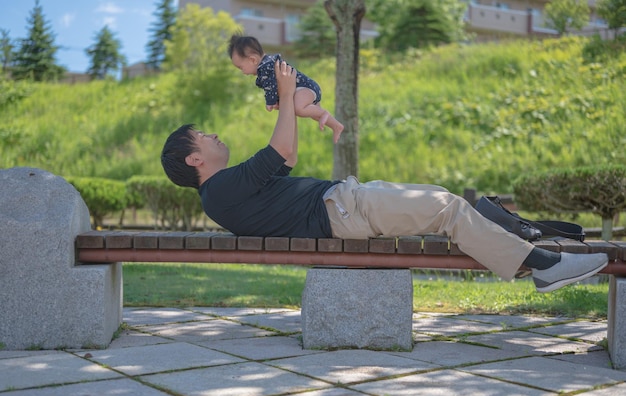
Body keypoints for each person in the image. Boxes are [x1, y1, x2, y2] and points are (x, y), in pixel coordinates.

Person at [161, 59, 608, 293]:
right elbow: (282, 150)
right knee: (447, 209)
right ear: (193, 160)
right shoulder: (218, 191)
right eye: (202, 136)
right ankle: (545, 265)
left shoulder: (226, 189)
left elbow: (284, 157)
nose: (213, 135)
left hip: (345, 201)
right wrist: (282, 91)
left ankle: (526, 245)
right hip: (342, 211)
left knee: (443, 197)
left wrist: (290, 106)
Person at [227, 34, 344, 144]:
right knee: (313, 114)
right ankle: (336, 125)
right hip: (305, 89)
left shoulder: (265, 67)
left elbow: (271, 87)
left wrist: (270, 102)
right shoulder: (268, 64)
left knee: (299, 109)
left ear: (253, 60)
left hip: (304, 88)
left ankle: (324, 113)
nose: (242, 72)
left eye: (241, 67)